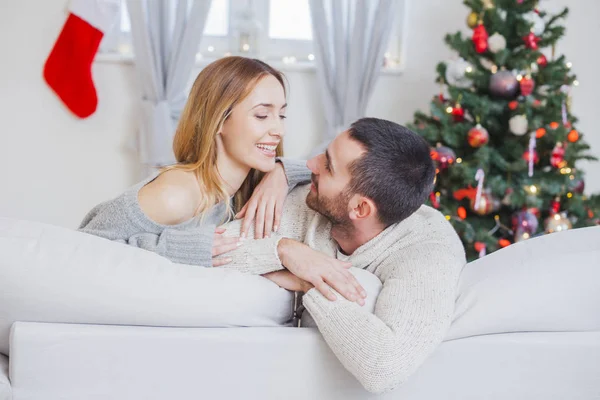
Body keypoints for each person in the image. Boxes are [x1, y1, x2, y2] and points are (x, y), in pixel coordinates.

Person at [219, 118, 467, 394]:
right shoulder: (309, 204)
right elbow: (212, 248)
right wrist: (285, 250)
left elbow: (384, 368)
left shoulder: (428, 253)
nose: (311, 164)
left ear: (360, 209)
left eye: (327, 165)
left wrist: (312, 281)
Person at [77, 57, 353, 279]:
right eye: (261, 115)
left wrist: (281, 172)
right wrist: (175, 249)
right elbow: (85, 248)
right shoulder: (177, 193)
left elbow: (341, 173)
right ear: (219, 121)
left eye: (281, 114)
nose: (278, 129)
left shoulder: (247, 185)